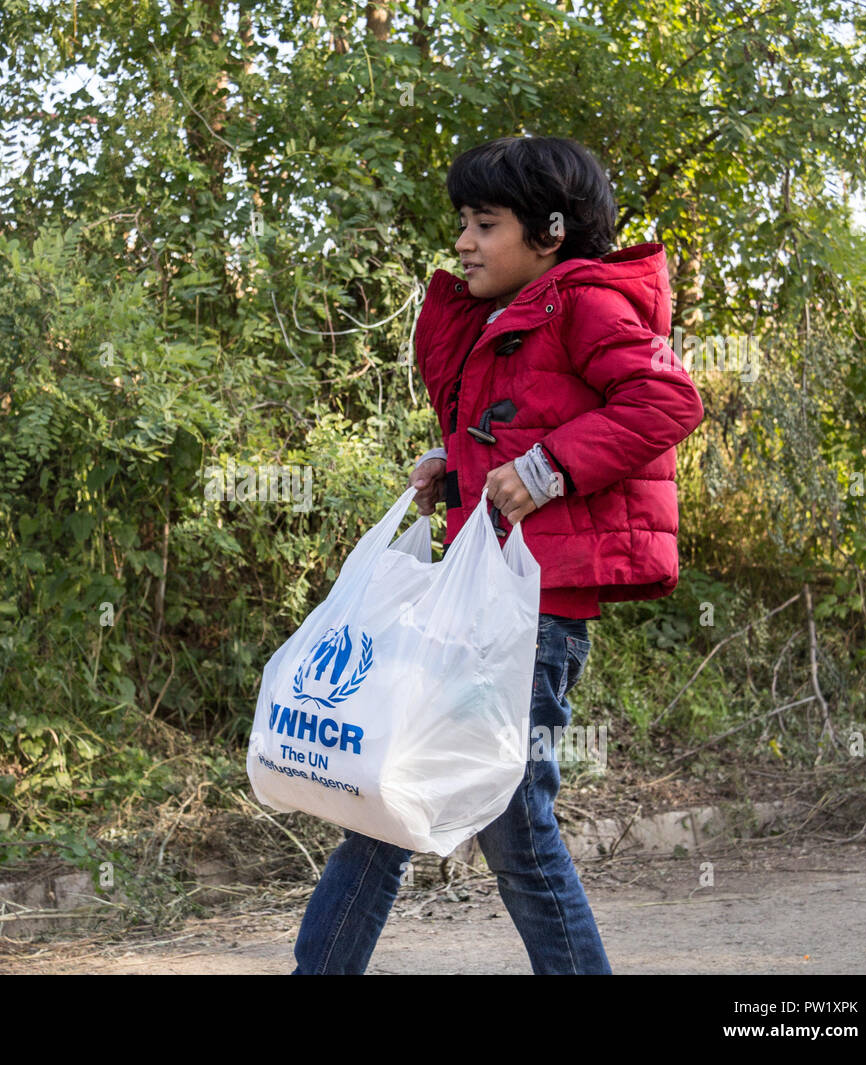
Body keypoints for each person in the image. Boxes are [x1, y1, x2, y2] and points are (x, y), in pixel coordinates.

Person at [292, 135, 705, 975]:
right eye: (462, 224)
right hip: (479, 601)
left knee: (513, 821)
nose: (464, 242)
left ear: (550, 231)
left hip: (537, 612)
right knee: (386, 796)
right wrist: (456, 472)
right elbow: (518, 435)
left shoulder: (584, 304)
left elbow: (666, 398)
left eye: (485, 224)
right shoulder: (509, 315)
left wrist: (547, 469)